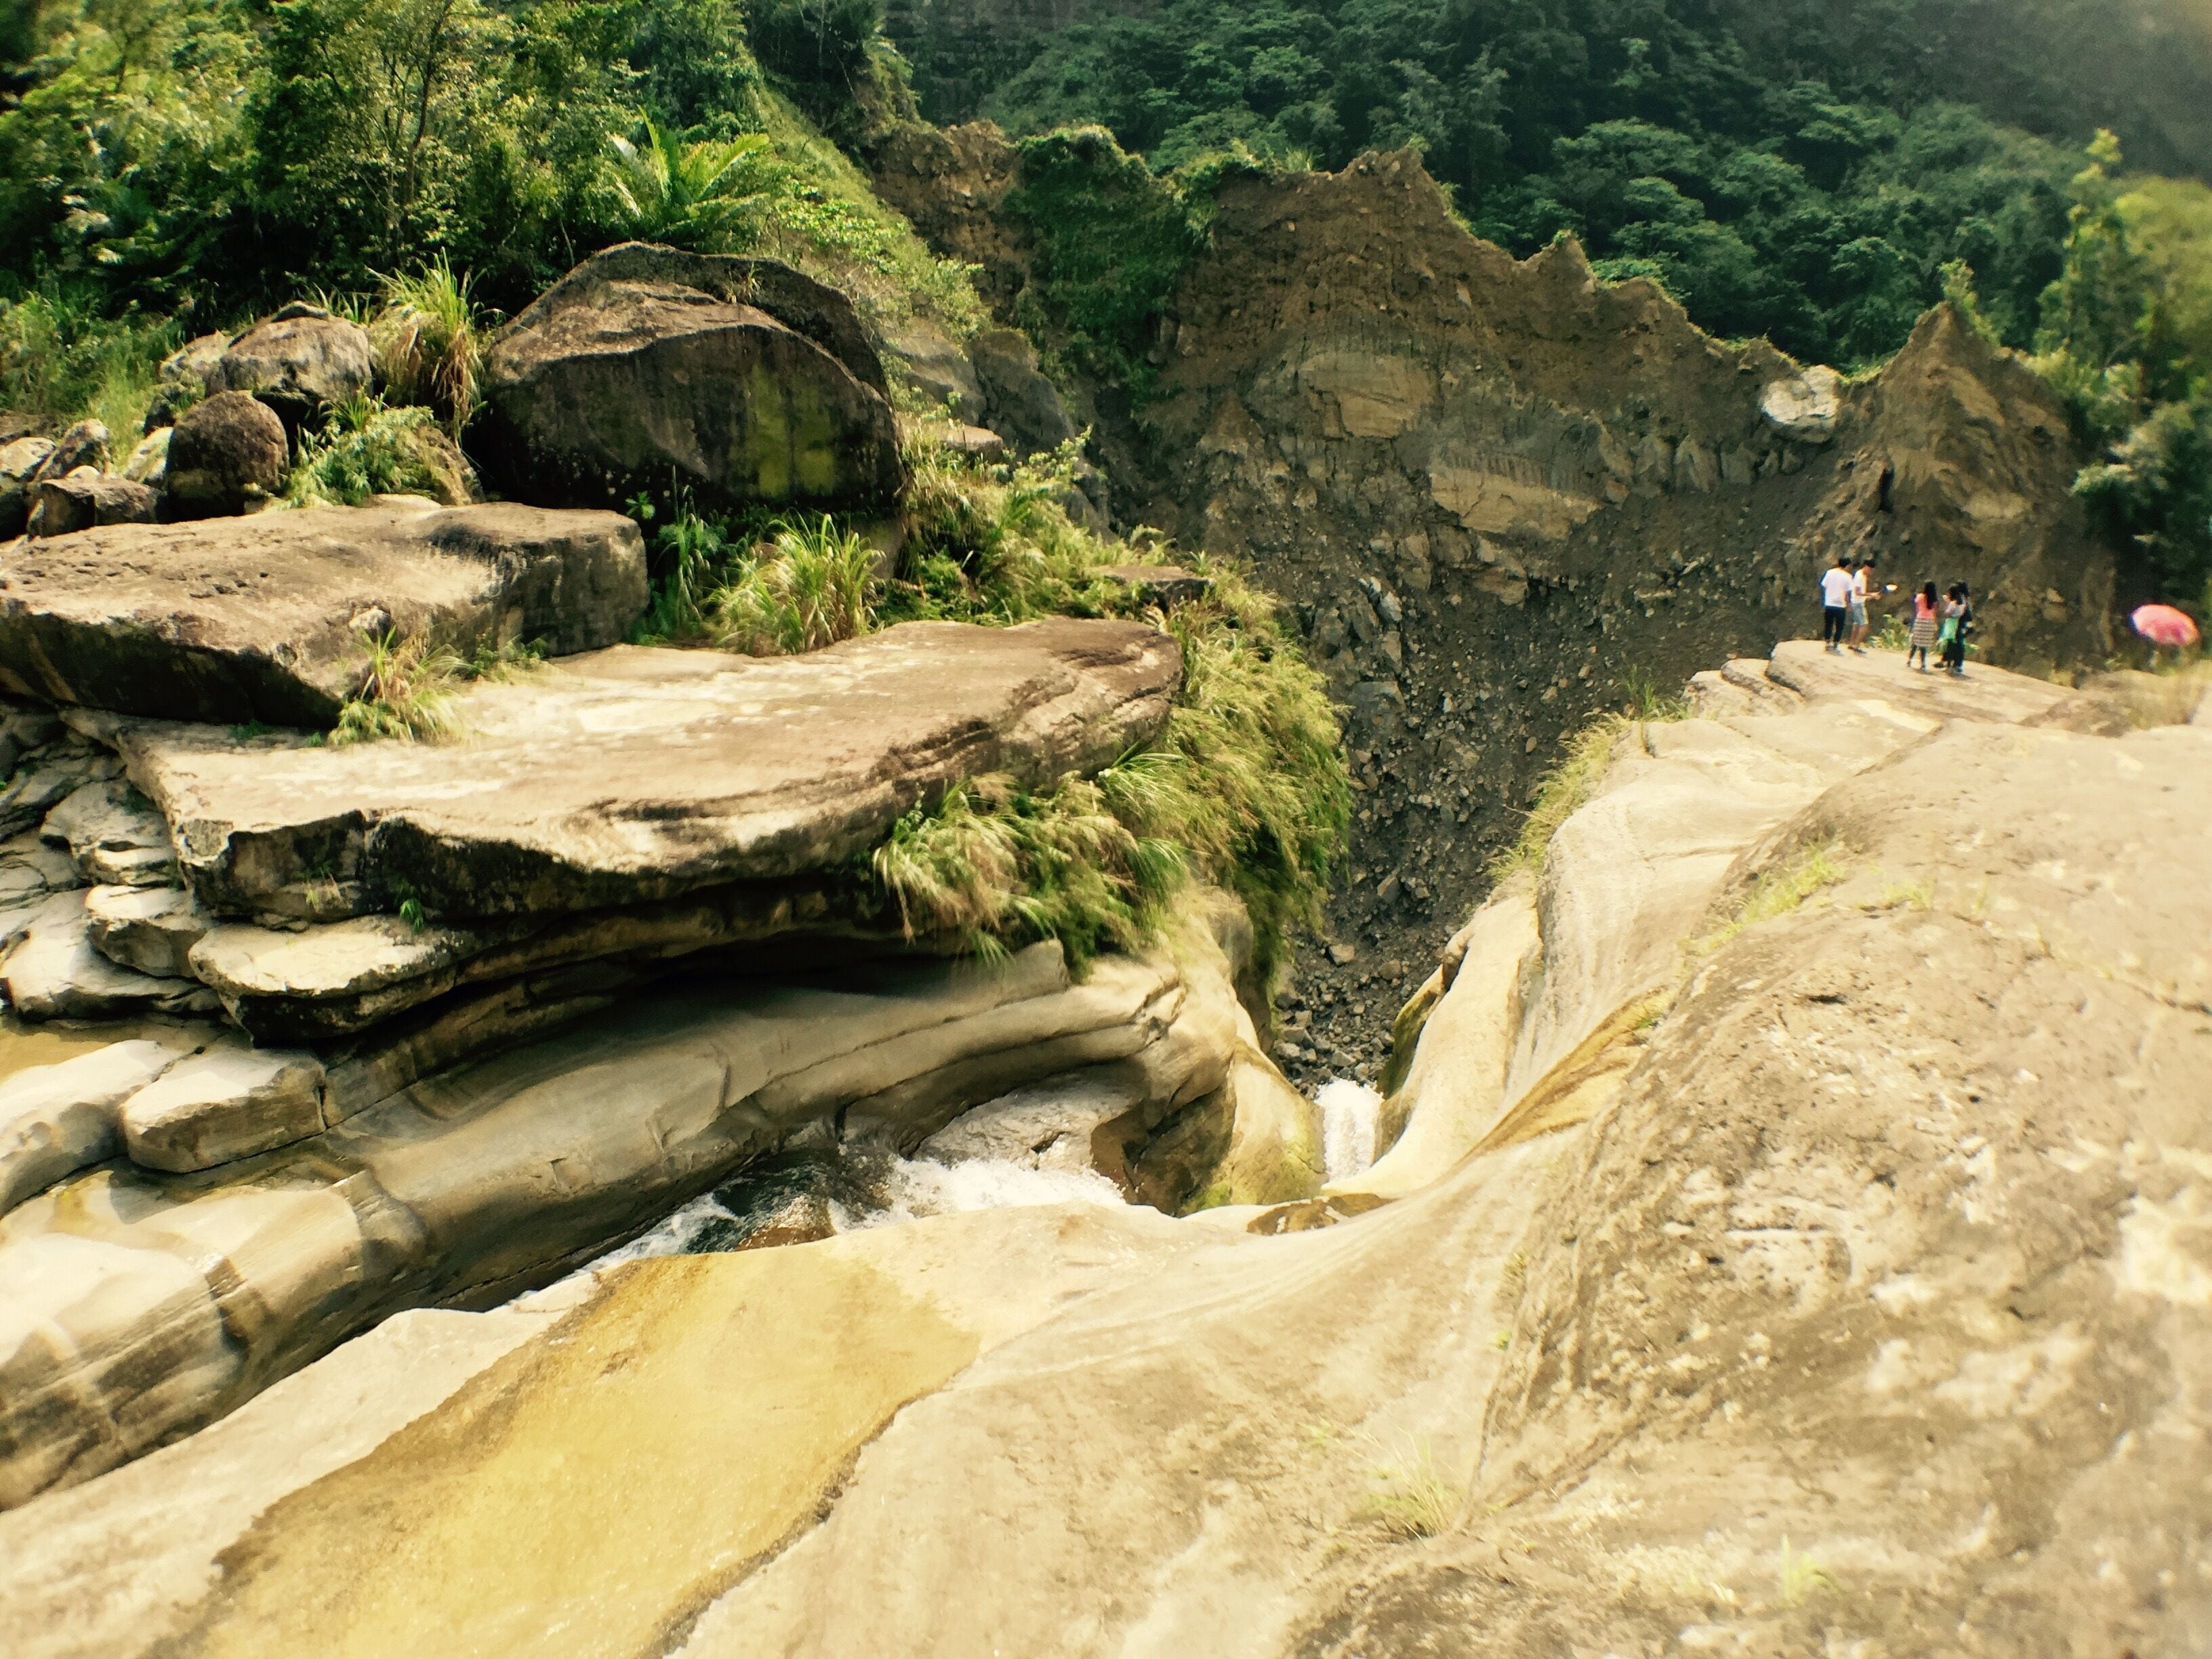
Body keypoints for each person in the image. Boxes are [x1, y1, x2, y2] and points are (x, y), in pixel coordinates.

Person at [1819, 556, 1855, 651]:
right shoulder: (1848, 576)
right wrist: (1849, 604)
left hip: (1829, 602)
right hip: (1840, 604)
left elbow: (1824, 586)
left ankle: (1827, 641)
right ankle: (1836, 643)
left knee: (1828, 623)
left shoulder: (1829, 573)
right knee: (1840, 625)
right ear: (1847, 566)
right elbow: (1848, 593)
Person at [1939, 583, 1973, 676]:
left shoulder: (1958, 601)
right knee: (1959, 644)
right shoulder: (1966, 599)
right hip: (1961, 624)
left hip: (1957, 624)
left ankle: (1951, 663)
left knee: (1953, 643)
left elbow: (1949, 612)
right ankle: (1956, 664)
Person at [1907, 581, 1938, 672]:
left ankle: (1910, 660)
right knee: (1924, 644)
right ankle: (1923, 663)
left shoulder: (1920, 597)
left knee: (1916, 642)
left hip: (1920, 620)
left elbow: (1917, 608)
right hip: (1929, 622)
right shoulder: (1934, 600)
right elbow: (1934, 612)